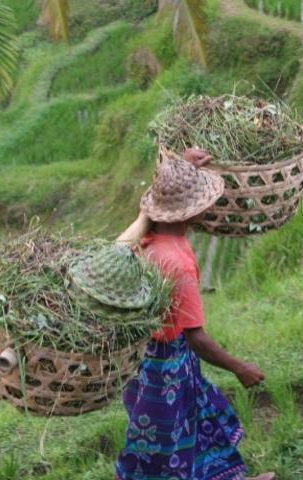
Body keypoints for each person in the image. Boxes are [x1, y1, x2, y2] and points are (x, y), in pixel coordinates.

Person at [113, 149, 274, 480]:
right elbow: (196, 337)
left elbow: (147, 214)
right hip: (165, 367)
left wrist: (181, 169)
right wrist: (239, 368)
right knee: (160, 445)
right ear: (196, 211)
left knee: (194, 422)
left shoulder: (142, 242)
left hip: (140, 361)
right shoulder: (177, 264)